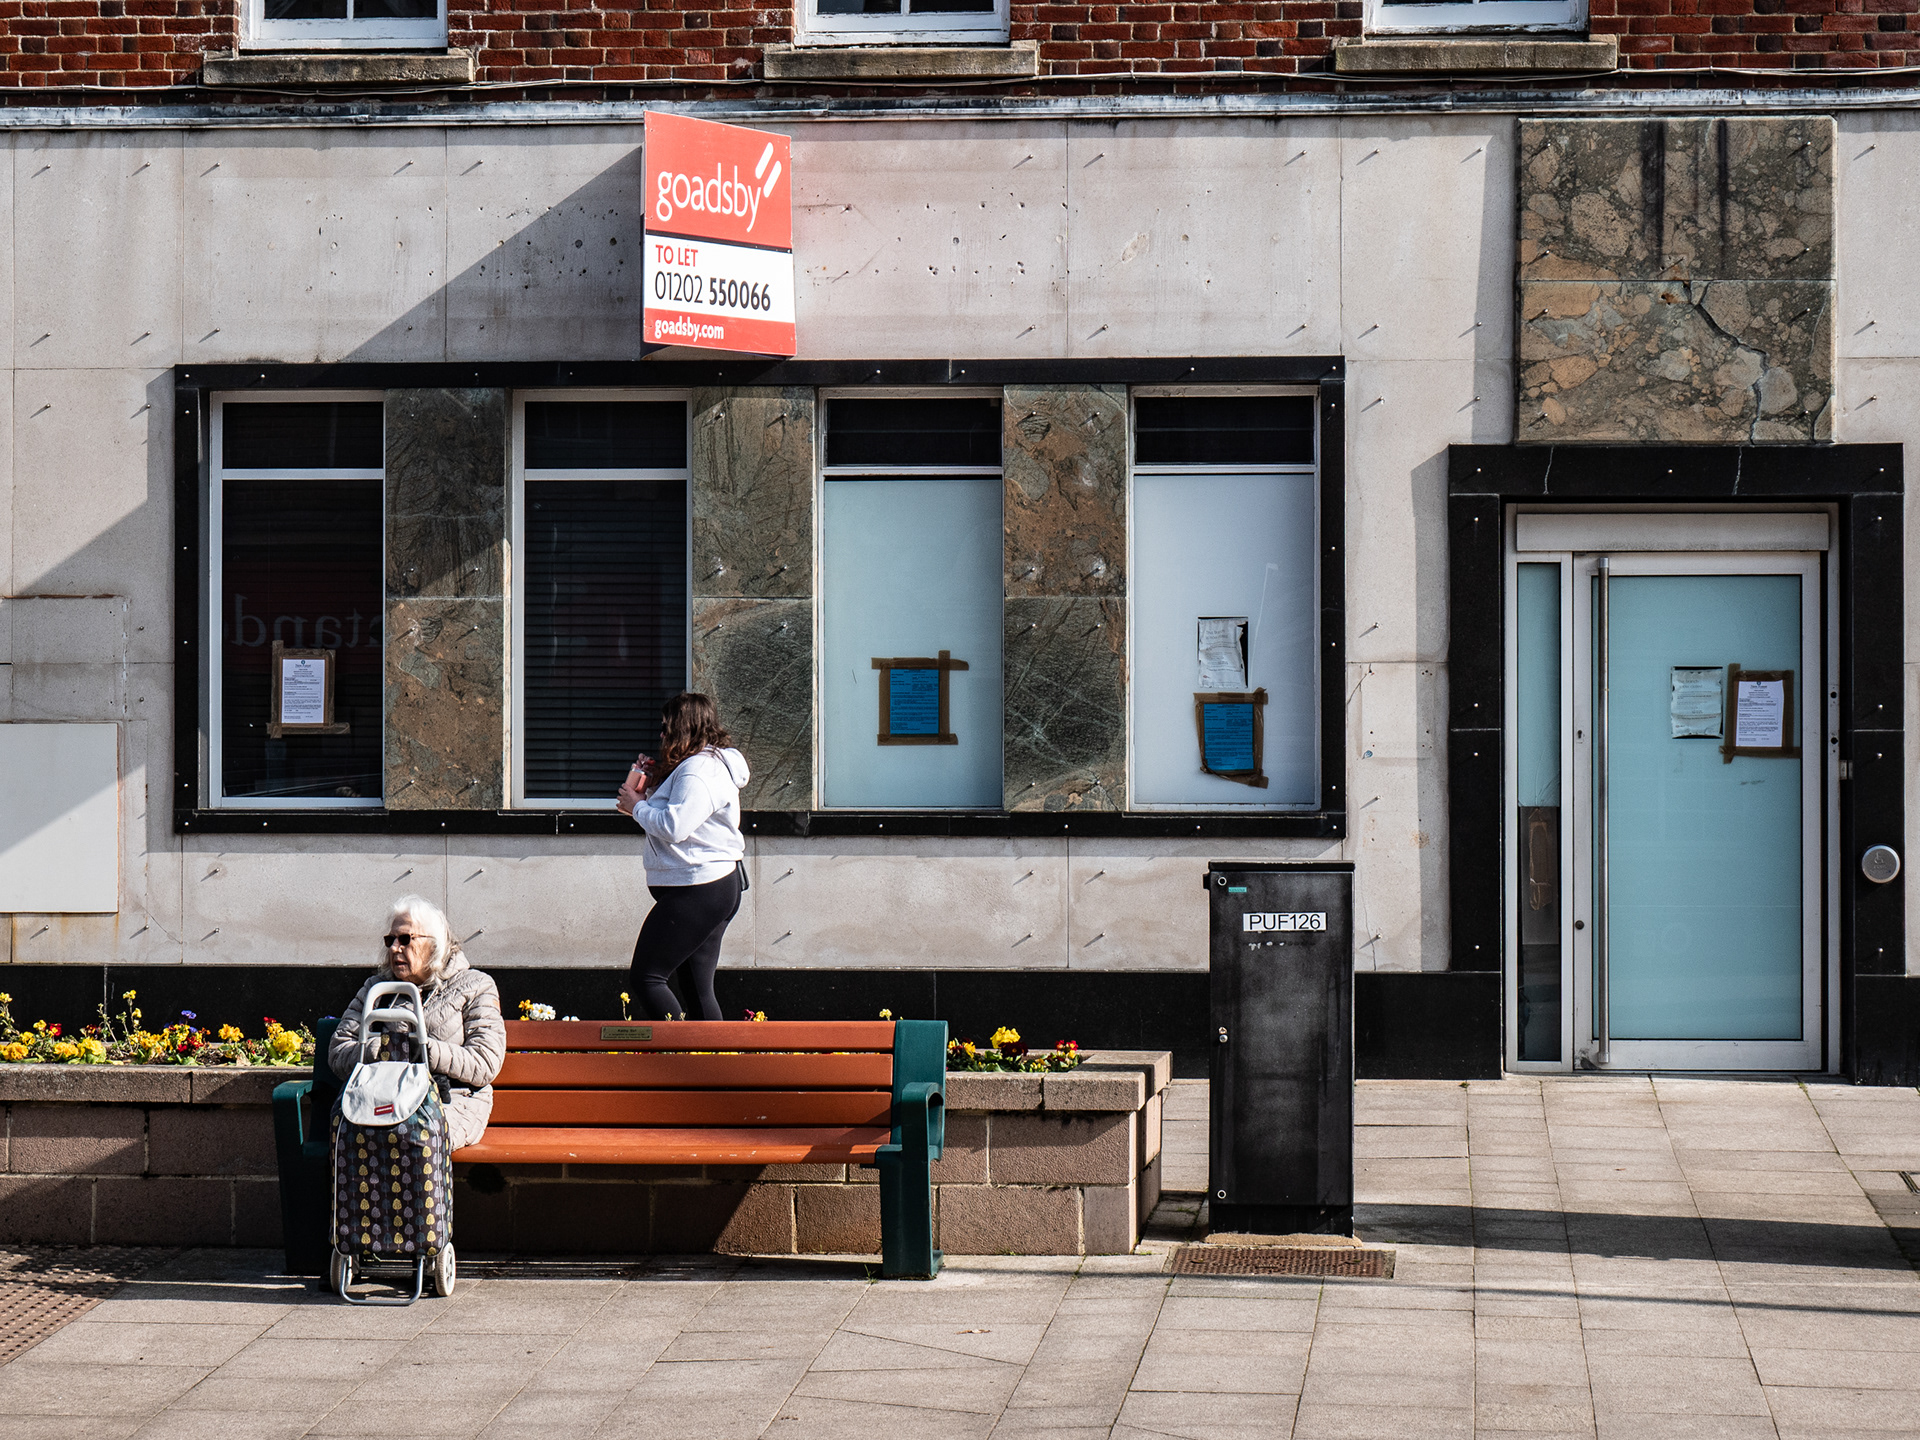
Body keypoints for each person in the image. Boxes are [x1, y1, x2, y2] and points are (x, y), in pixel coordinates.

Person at [329, 894, 505, 1151]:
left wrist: (423, 1050)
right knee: (352, 1134)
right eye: (390, 940)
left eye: (405, 939)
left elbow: (485, 1062)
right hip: (384, 1094)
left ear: (434, 944)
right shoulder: (376, 989)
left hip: (452, 1099)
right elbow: (338, 1051)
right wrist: (386, 1048)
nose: (394, 948)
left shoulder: (476, 985)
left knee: (413, 1136)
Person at [616, 691, 750, 1021]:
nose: (661, 735)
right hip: (711, 885)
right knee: (697, 988)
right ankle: (709, 1054)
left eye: (666, 727)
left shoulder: (698, 771)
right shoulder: (702, 766)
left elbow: (675, 826)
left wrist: (637, 807)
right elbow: (682, 814)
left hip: (699, 887)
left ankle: (678, 1050)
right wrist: (650, 789)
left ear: (683, 727)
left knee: (648, 978)